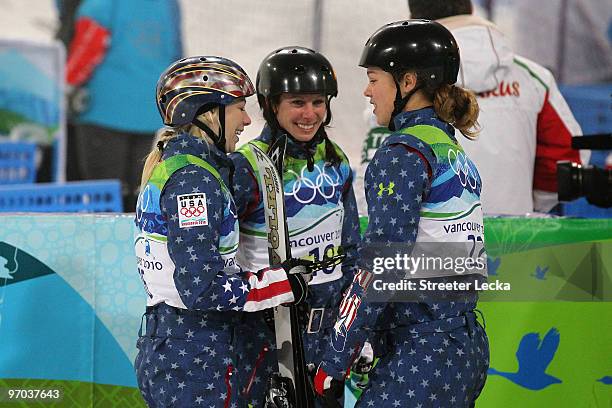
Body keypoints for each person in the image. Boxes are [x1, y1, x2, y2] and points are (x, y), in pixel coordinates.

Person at [313, 20, 489, 407]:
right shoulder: (448, 147)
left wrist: (337, 355)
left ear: (407, 81)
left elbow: (383, 264)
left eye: (374, 78)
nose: (367, 90)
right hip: (463, 346)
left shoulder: (403, 153)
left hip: (424, 352)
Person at [134, 56, 317, 408]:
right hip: (194, 358)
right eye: (238, 108)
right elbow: (200, 288)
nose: (247, 120)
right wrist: (277, 285)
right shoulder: (195, 183)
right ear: (206, 113)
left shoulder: (189, 168)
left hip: (181, 347)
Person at [356, 0, 586, 216]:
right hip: (518, 246)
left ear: (412, 17)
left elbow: (373, 194)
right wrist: (520, 211)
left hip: (431, 250)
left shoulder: (399, 85)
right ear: (470, 8)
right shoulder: (534, 78)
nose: (369, 89)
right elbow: (567, 159)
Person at [230, 46, 361, 407]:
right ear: (272, 105)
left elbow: (352, 247)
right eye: (297, 103)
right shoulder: (246, 165)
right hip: (271, 323)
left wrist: (356, 328)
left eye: (318, 102)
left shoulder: (336, 160)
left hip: (329, 319)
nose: (310, 114)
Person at [65, 0, 182, 210]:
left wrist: (65, 86)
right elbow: (175, 52)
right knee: (135, 189)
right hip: (148, 110)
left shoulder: (102, 4)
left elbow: (88, 47)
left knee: (102, 194)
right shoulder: (167, 5)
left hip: (104, 110)